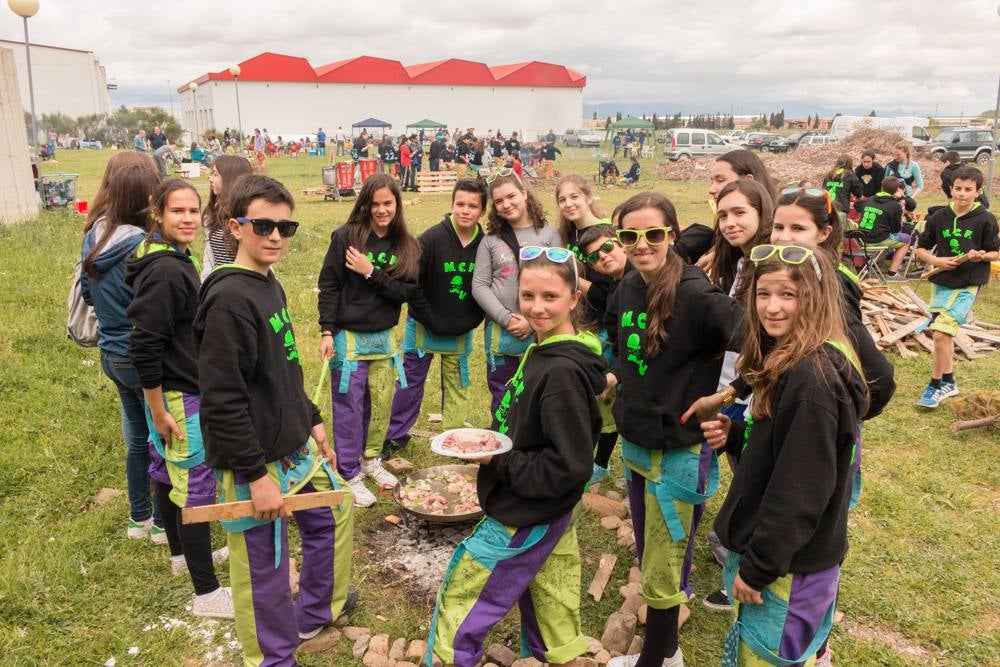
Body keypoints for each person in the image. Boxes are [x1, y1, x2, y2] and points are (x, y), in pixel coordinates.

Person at [195, 175, 355, 663]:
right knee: (265, 562)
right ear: (234, 226)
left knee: (333, 511)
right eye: (262, 224)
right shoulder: (228, 300)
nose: (275, 237)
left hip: (292, 444)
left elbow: (284, 367)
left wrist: (311, 418)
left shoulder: (270, 284)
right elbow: (222, 400)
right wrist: (255, 476)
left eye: (287, 228)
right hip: (254, 459)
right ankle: (272, 656)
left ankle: (313, 613)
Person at [426, 244, 606, 667]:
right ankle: (554, 658)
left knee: (462, 595)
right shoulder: (542, 350)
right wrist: (491, 440)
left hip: (528, 509)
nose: (537, 308)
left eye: (550, 297)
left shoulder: (560, 372)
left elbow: (569, 466)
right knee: (552, 596)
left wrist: (496, 461)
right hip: (552, 508)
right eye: (528, 296)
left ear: (574, 299)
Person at [704, 243, 868, 667]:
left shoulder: (811, 381)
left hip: (786, 573)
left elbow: (800, 493)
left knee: (770, 655)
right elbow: (790, 451)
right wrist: (740, 436)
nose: (772, 308)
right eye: (763, 293)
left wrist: (758, 568)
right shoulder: (794, 359)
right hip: (791, 564)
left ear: (814, 298)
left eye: (788, 295)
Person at [605, 192, 745, 667]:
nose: (641, 244)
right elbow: (613, 340)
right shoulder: (627, 285)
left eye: (653, 234)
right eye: (630, 235)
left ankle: (657, 662)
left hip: (679, 454)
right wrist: (611, 377)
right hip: (637, 445)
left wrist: (729, 395)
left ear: (672, 234)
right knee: (651, 557)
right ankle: (669, 649)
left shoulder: (697, 294)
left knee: (663, 570)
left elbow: (765, 343)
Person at [125, 179, 233, 619]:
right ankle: (206, 594)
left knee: (168, 476)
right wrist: (157, 408)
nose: (187, 219)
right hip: (178, 396)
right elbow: (144, 343)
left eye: (192, 211)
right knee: (196, 491)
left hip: (169, 392)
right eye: (177, 212)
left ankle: (178, 555)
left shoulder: (162, 255)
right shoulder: (167, 269)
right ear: (157, 213)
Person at [317, 173, 420, 507]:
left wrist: (370, 271)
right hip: (349, 338)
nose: (381, 210)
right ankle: (349, 472)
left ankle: (370, 459)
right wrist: (327, 330)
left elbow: (406, 292)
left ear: (397, 204)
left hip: (384, 339)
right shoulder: (345, 237)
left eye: (387, 203)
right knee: (349, 405)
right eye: (374, 204)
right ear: (365, 203)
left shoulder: (406, 245)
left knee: (381, 403)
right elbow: (329, 284)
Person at [81, 153, 164, 541]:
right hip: (144, 355)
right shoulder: (144, 247)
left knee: (135, 437)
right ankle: (165, 524)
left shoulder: (95, 234)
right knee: (162, 435)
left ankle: (139, 518)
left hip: (111, 352)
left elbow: (87, 294)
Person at [385, 180, 488, 458]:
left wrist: (470, 321)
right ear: (452, 204)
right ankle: (396, 435)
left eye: (472, 206)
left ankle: (455, 436)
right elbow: (412, 283)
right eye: (460, 204)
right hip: (422, 327)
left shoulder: (486, 245)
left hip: (462, 329)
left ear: (483, 210)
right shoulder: (430, 239)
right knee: (410, 383)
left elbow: (487, 288)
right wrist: (431, 319)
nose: (465, 211)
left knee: (458, 384)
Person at [473, 170, 561, 416]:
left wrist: (533, 324)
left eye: (511, 196)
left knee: (539, 392)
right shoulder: (491, 240)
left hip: (542, 330)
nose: (506, 204)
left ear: (524, 193)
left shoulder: (549, 234)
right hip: (502, 334)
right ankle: (504, 447)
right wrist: (506, 318)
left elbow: (561, 282)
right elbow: (479, 285)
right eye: (499, 201)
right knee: (503, 394)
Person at [914, 166, 1000, 408]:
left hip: (968, 283)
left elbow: (995, 252)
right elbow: (921, 248)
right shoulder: (938, 217)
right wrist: (936, 260)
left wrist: (981, 256)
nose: (962, 194)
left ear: (977, 192)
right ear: (951, 189)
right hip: (941, 281)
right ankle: (950, 381)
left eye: (968, 190)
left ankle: (935, 385)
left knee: (940, 332)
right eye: (958, 188)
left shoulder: (986, 219)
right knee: (945, 336)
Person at [579, 223, 634, 483]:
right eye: (594, 256)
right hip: (625, 363)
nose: (603, 256)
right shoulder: (615, 286)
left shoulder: (641, 278)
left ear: (622, 243)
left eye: (608, 247)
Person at [852, 176, 916, 279]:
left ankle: (870, 265)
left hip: (861, 238)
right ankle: (892, 273)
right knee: (907, 239)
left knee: (885, 235)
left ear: (881, 187)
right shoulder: (895, 205)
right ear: (897, 190)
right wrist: (901, 197)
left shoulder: (870, 199)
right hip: (877, 239)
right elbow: (895, 230)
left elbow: (857, 205)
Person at [202, 154, 253, 277]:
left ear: (230, 178)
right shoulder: (212, 213)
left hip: (244, 283)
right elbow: (209, 257)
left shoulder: (247, 215)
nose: (210, 179)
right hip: (217, 284)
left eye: (215, 174)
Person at [822, 154, 864, 219]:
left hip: (826, 208)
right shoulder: (850, 175)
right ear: (850, 164)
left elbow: (823, 190)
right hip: (840, 209)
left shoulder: (829, 174)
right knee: (840, 228)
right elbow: (858, 192)